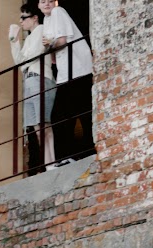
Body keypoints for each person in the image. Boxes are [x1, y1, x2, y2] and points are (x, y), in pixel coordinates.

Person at [39, 0, 94, 164]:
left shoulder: (58, 12)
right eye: (43, 1)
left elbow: (61, 42)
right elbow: (53, 56)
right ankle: (78, 153)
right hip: (66, 73)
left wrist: (51, 45)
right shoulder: (46, 20)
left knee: (68, 114)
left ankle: (75, 154)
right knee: (73, 113)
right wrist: (51, 47)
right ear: (38, 5)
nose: (47, 4)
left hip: (77, 69)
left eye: (50, 1)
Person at [9, 3, 56, 172]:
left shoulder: (42, 30)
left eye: (24, 17)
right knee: (36, 127)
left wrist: (24, 60)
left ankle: (51, 162)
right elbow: (19, 62)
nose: (21, 21)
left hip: (40, 77)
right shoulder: (29, 38)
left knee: (43, 124)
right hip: (29, 80)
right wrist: (14, 41)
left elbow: (32, 56)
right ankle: (48, 163)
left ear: (35, 18)